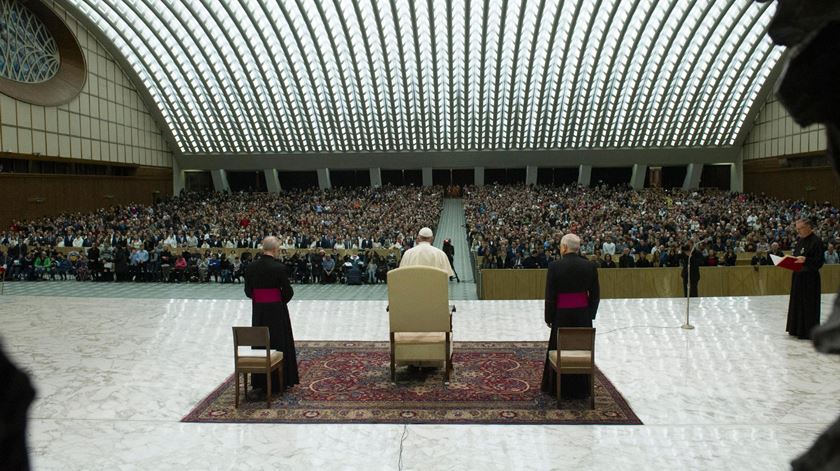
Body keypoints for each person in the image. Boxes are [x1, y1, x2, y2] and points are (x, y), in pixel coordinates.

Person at [541, 233, 600, 399]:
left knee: (559, 347)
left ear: (564, 247)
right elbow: (595, 294)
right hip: (582, 315)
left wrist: (549, 318)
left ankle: (556, 388)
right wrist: (590, 314)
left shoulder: (555, 266)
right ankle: (581, 389)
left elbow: (550, 296)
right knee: (580, 348)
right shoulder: (590, 266)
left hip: (561, 314)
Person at [244, 236, 299, 393]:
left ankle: (260, 381)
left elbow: (248, 292)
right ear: (275, 250)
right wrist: (277, 301)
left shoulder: (251, 267)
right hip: (276, 311)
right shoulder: (279, 268)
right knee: (278, 341)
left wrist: (261, 299)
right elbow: (288, 292)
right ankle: (280, 381)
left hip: (259, 311)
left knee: (261, 341)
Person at [786, 218, 825, 340]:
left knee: (808, 305)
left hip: (810, 279)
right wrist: (790, 261)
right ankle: (796, 329)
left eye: (800, 228)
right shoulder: (800, 241)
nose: (798, 231)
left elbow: (819, 262)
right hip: (798, 277)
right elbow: (797, 257)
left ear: (808, 226)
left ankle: (808, 331)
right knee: (797, 303)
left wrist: (806, 260)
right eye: (797, 229)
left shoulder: (817, 241)